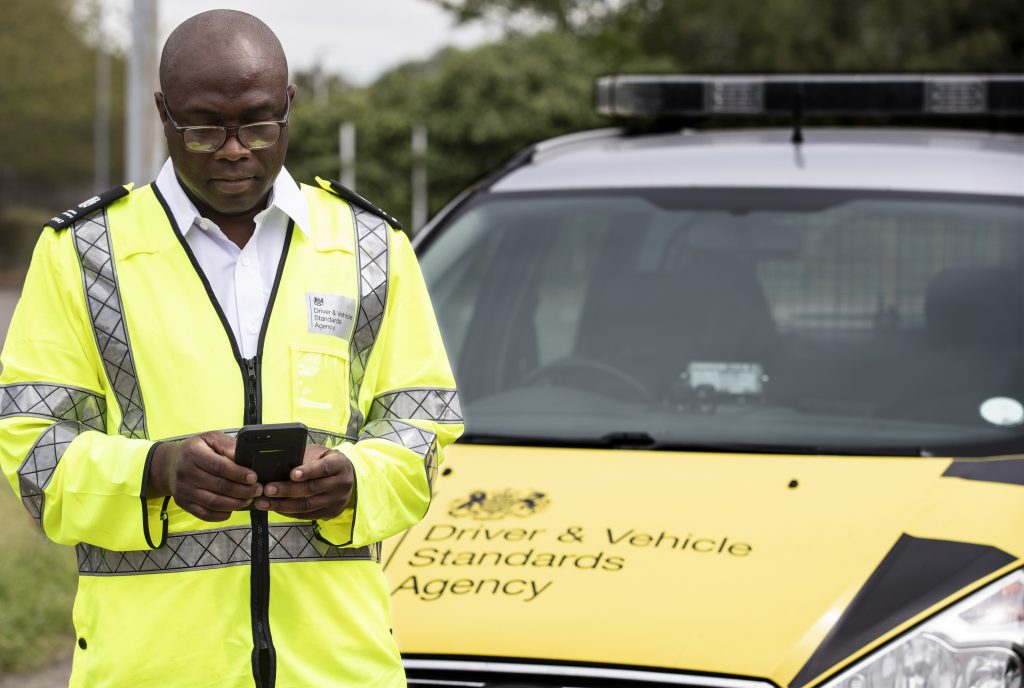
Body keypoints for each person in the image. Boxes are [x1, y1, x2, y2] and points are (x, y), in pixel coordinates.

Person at [0, 10, 461, 687]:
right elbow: (33, 451)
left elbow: (422, 428)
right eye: (204, 126)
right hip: (152, 669)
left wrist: (356, 480)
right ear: (163, 113)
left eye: (257, 122)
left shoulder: (370, 247)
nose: (233, 148)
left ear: (289, 106)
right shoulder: (83, 255)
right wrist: (154, 471)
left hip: (339, 669)